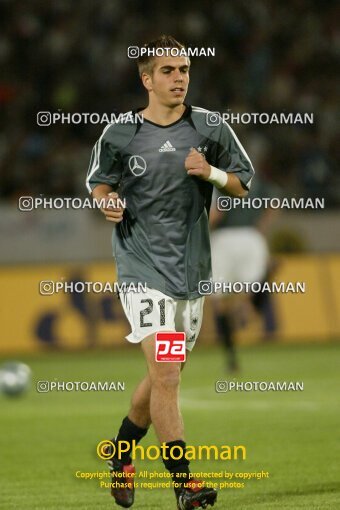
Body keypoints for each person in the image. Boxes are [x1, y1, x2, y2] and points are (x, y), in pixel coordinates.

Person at [86, 35, 254, 510]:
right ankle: (187, 487)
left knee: (164, 376)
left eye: (184, 70)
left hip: (192, 271)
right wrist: (108, 202)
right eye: (168, 71)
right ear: (146, 79)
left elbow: (243, 186)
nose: (179, 77)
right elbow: (99, 183)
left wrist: (212, 175)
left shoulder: (211, 128)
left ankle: (120, 455)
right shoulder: (119, 133)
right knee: (167, 375)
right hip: (141, 268)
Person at [210, 175, 280, 372]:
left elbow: (215, 214)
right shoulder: (253, 179)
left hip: (223, 240)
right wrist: (262, 227)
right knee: (256, 282)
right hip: (251, 238)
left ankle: (231, 358)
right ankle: (246, 304)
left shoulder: (214, 178)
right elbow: (274, 200)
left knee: (220, 301)